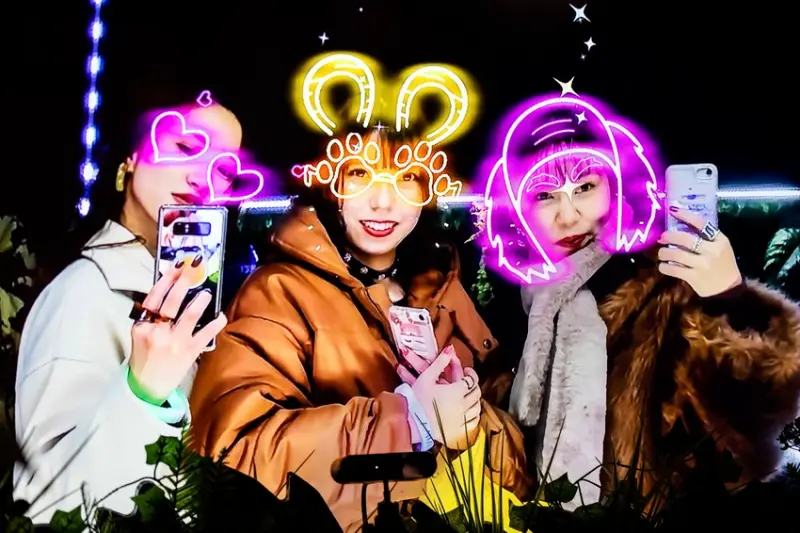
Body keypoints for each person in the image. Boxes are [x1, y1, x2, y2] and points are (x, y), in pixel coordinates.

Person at [189, 127, 532, 531]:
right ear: (329, 181)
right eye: (359, 173)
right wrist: (411, 419)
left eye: (407, 176)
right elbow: (233, 455)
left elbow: (519, 461)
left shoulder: (443, 292)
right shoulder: (277, 293)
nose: (383, 201)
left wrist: (471, 421)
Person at [480, 94, 800, 509]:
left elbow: (769, 399)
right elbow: (518, 454)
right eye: (544, 195)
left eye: (585, 187)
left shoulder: (668, 289)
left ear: (613, 187)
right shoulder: (525, 306)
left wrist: (732, 299)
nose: (569, 215)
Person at [13, 94, 241, 521]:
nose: (202, 177)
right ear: (130, 159)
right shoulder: (86, 290)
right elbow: (49, 503)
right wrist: (143, 394)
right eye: (186, 147)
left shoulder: (186, 298)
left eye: (224, 170)